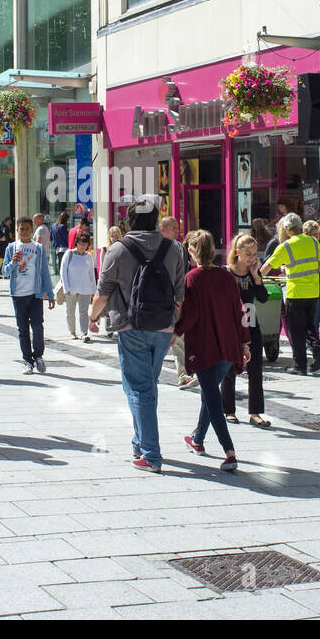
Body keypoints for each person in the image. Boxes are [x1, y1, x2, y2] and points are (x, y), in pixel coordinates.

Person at [87, 193, 186, 472]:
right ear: (156, 219)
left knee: (139, 389)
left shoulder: (118, 250)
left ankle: (151, 454)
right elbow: (180, 295)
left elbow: (102, 293)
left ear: (129, 220)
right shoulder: (175, 249)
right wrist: (175, 325)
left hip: (131, 327)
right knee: (146, 386)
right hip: (164, 327)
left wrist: (92, 318)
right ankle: (139, 440)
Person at [176, 229, 249, 472]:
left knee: (212, 399)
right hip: (228, 347)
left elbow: (191, 315)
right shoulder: (226, 277)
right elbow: (239, 311)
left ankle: (229, 452)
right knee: (208, 394)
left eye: (189, 248)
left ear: (194, 250)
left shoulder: (192, 279)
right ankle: (197, 440)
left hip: (206, 347)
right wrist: (244, 343)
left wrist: (174, 331)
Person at [261, 212, 320, 375]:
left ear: (286, 228)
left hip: (295, 293)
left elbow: (266, 267)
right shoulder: (313, 242)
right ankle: (318, 352)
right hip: (313, 291)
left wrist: (256, 279)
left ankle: (300, 366)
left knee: (296, 331)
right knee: (310, 327)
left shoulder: (286, 246)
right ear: (300, 225)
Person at [223, 233, 270, 427]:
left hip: (251, 323)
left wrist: (256, 276)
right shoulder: (227, 273)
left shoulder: (253, 273)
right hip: (232, 324)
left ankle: (255, 412)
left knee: (256, 367)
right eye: (248, 254)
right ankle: (228, 410)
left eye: (255, 253)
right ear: (238, 252)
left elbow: (264, 298)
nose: (252, 258)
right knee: (229, 367)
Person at [4, 216, 54, 374]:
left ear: (32, 230)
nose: (24, 231)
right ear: (17, 230)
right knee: (22, 329)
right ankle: (27, 360)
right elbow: (4, 272)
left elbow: (44, 272)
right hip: (18, 295)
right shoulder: (11, 248)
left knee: (38, 326)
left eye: (27, 228)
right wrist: (12, 263)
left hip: (35, 295)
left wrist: (50, 294)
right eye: (21, 229)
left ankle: (38, 356)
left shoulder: (38, 248)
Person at [160, 216, 197, 390]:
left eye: (177, 227)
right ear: (163, 230)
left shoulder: (178, 249)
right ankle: (153, 373)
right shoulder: (154, 248)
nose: (177, 230)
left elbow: (180, 277)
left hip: (174, 300)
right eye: (173, 228)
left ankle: (183, 375)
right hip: (156, 302)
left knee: (178, 338)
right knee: (160, 340)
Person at [60, 230, 97, 342]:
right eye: (81, 243)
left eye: (85, 244)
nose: (83, 246)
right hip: (72, 288)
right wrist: (66, 287)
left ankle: (84, 333)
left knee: (84, 312)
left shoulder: (89, 256)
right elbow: (63, 271)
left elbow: (91, 273)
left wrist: (94, 289)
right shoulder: (69, 254)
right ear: (77, 243)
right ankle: (72, 331)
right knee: (70, 312)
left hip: (85, 288)